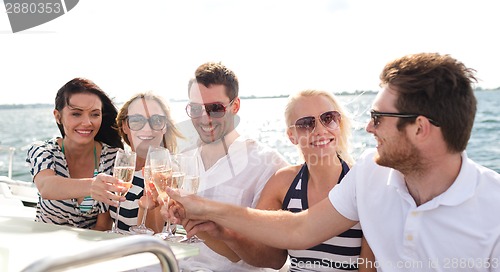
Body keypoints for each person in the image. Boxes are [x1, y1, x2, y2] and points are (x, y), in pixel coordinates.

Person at [165, 53, 500, 271]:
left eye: (378, 117)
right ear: (291, 135)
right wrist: (208, 213)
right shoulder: (371, 175)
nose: (369, 127)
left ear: (420, 128)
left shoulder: (493, 206)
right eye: (306, 123)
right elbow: (299, 228)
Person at [181, 89, 375, 271]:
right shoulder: (283, 183)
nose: (320, 130)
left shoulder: (362, 184)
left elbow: (369, 266)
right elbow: (271, 259)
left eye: (329, 118)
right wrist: (221, 233)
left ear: (339, 124)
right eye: (306, 124)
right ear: (292, 136)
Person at [177, 61, 289, 271]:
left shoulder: (267, 164)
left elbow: (273, 259)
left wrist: (222, 232)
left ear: (235, 106)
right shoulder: (182, 158)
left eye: (215, 108)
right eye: (195, 108)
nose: (204, 118)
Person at [26, 77, 125, 230]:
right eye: (77, 114)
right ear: (58, 116)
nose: (87, 122)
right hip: (45, 244)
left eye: (95, 114)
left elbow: (103, 225)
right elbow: (46, 186)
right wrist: (92, 185)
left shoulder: (112, 157)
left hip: (88, 248)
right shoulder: (43, 151)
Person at [112, 92, 183, 233]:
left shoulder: (167, 172)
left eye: (156, 120)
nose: (147, 128)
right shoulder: (119, 166)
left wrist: (146, 208)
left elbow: (154, 233)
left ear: (164, 127)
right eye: (137, 120)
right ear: (125, 126)